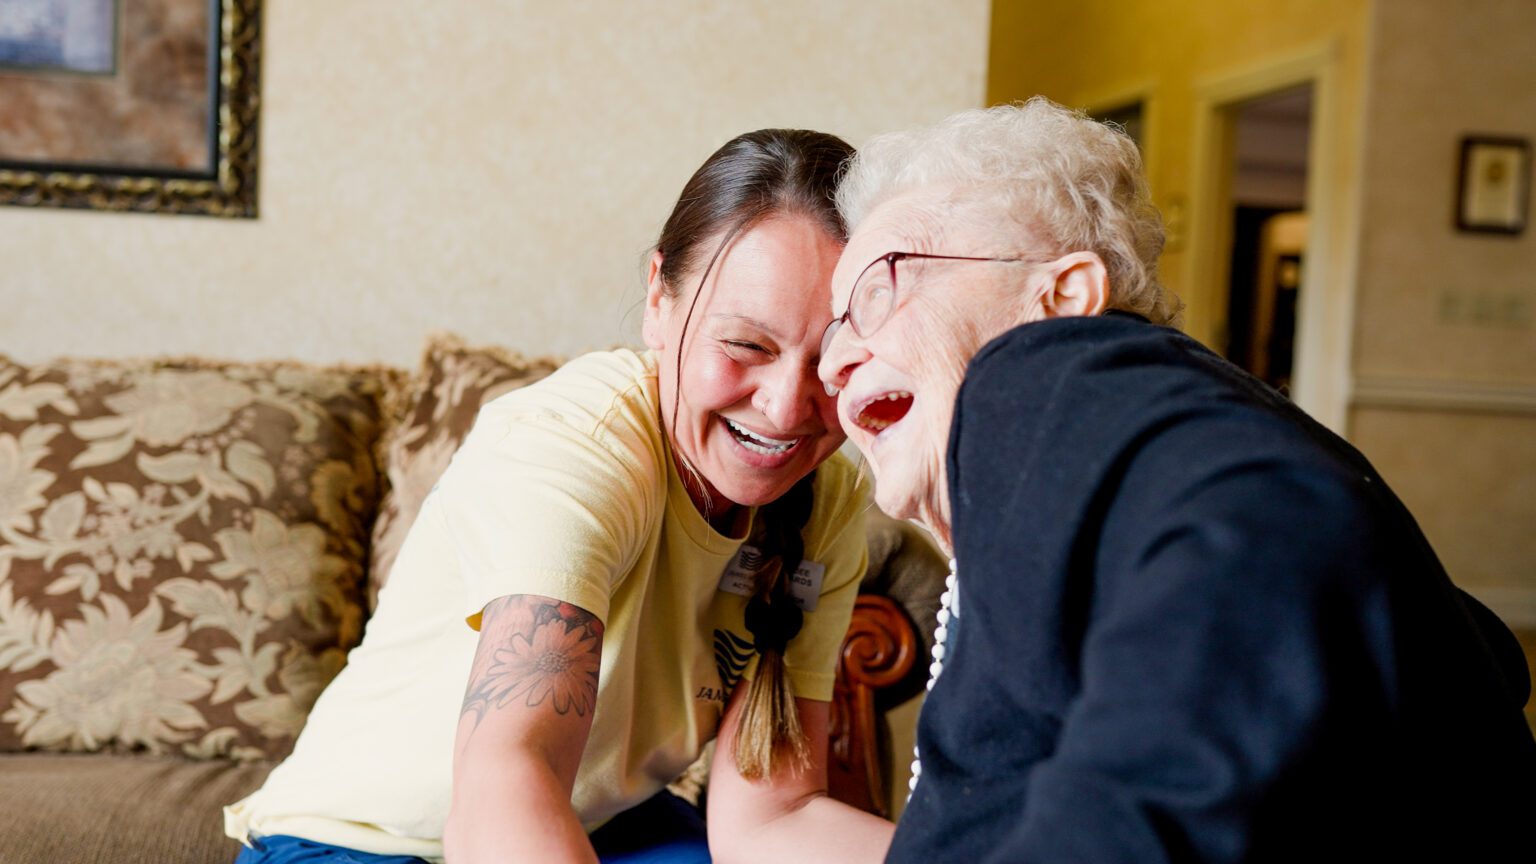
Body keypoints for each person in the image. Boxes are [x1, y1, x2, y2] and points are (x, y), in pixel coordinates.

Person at [816, 98, 1536, 862]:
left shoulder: (1044, 367)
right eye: (835, 326)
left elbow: (1280, 534)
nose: (834, 362)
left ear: (1061, 299)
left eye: (879, 289)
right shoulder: (1047, 516)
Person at [225, 129, 897, 863]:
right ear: (658, 300)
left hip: (609, 827)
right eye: (745, 346)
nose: (786, 407)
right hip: (359, 842)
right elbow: (505, 786)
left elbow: (775, 818)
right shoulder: (575, 446)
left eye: (832, 359)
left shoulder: (826, 491)